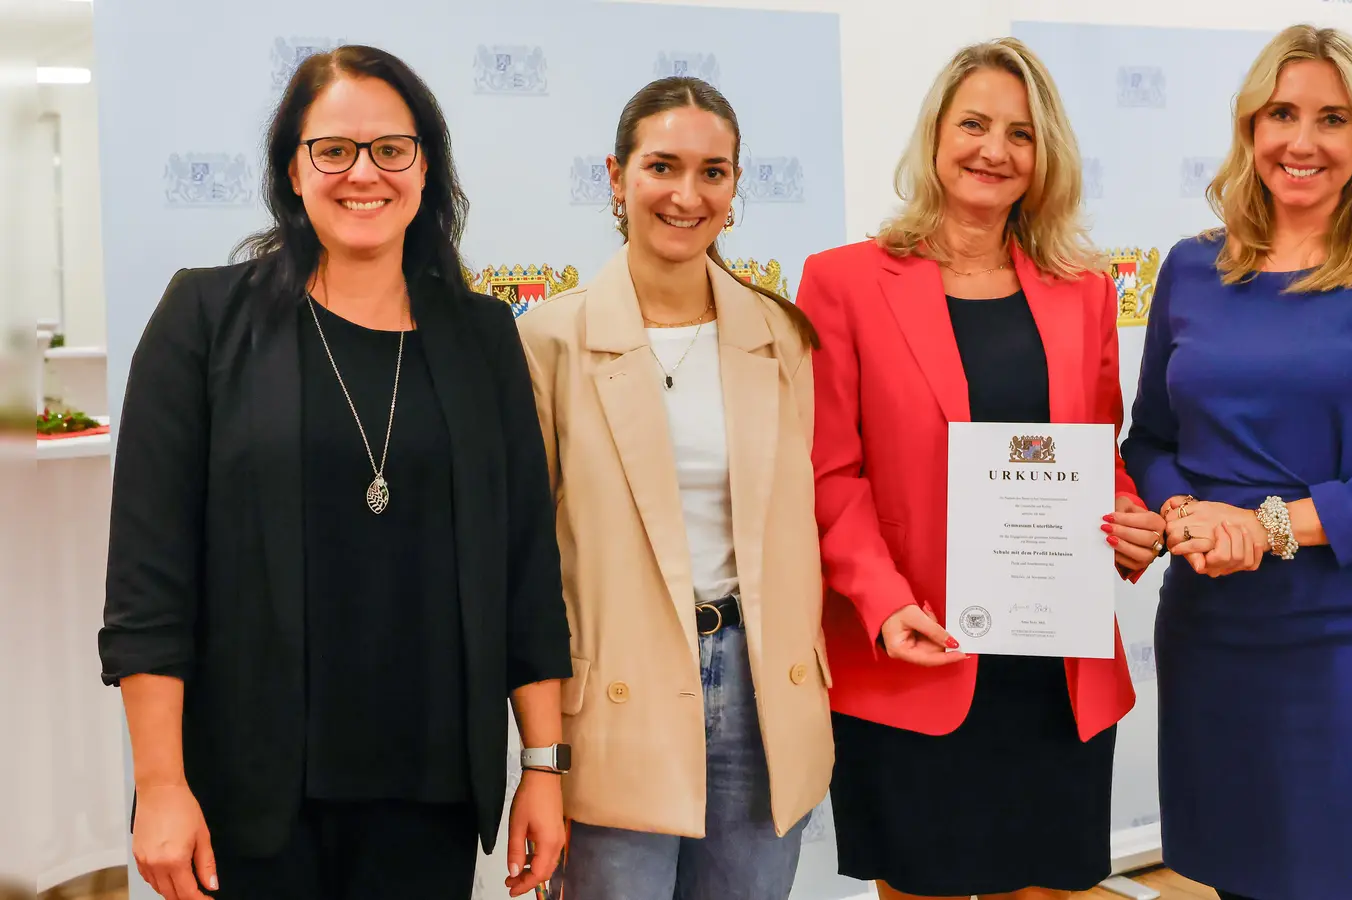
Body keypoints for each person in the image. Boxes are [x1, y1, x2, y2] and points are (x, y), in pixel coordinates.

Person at [98, 46, 571, 900]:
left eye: (391, 148)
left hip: (430, 790)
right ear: (294, 167)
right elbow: (148, 581)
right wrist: (161, 783)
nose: (364, 173)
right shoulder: (204, 320)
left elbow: (527, 570)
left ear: (426, 168)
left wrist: (544, 766)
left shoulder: (482, 337)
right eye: (335, 149)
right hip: (248, 792)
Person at [1121, 24, 1352, 900]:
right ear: (1251, 129)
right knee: (1241, 882)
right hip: (1217, 636)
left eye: (1332, 118)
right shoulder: (1190, 267)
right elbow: (1152, 440)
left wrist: (1275, 525)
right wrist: (1184, 515)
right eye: (1281, 113)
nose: (1303, 140)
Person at [796, 38, 1167, 900]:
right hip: (915, 650)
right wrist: (885, 607)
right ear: (935, 135)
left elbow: (1092, 451)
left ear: (1046, 159)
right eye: (974, 124)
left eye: (1021, 134)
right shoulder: (844, 283)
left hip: (1052, 663)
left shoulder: (1083, 291)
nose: (994, 149)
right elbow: (829, 474)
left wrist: (1129, 519)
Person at [519, 75, 831, 900]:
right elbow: (524, 563)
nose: (687, 195)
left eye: (714, 172)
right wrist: (538, 754)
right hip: (617, 699)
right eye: (662, 166)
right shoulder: (547, 339)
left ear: (734, 188)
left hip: (764, 696)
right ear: (616, 179)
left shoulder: (782, 336)